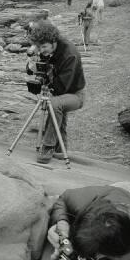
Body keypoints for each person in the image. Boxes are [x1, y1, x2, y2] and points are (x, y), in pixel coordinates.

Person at [46, 185, 130, 260]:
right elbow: (63, 199)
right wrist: (61, 221)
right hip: (122, 193)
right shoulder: (93, 199)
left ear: (116, 257)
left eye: (94, 254)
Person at [27, 21, 86, 164]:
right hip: (59, 91)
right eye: (39, 47)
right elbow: (38, 70)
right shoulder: (45, 48)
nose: (41, 51)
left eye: (44, 47)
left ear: (53, 42)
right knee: (60, 124)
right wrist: (31, 66)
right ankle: (60, 152)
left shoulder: (69, 54)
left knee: (54, 105)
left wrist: (48, 88)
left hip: (75, 94)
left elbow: (61, 87)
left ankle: (47, 147)